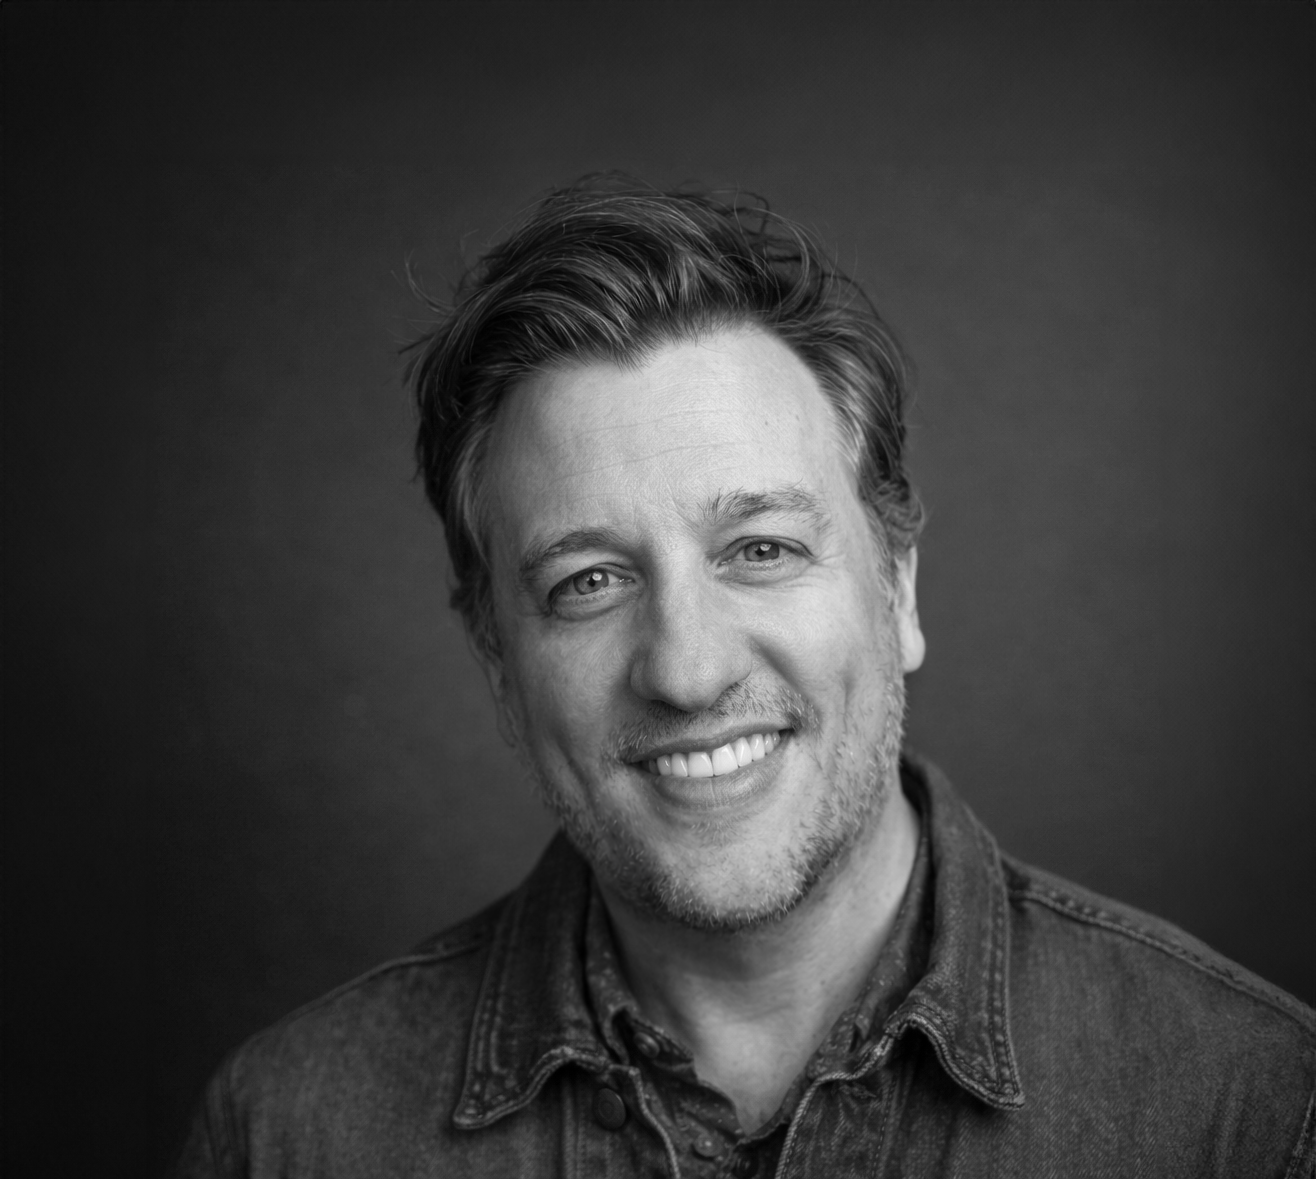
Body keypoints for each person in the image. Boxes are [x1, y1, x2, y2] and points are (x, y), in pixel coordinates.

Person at [176, 179, 1315, 1178]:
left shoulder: (1249, 1109)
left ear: (896, 593)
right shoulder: (288, 1134)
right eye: (587, 581)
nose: (685, 667)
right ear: (494, 658)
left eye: (759, 550)